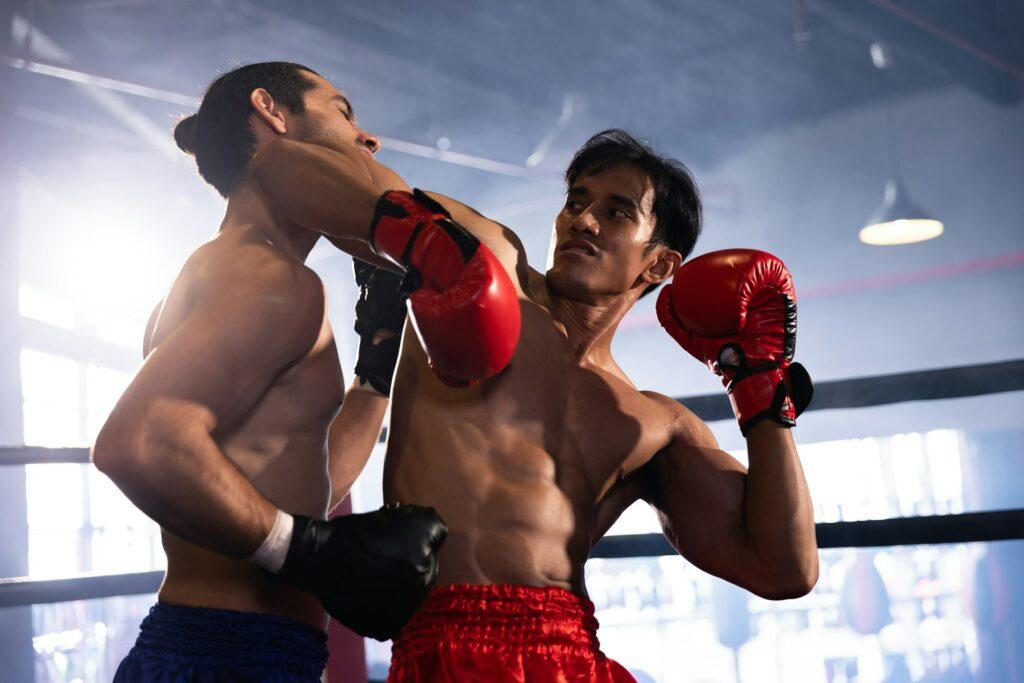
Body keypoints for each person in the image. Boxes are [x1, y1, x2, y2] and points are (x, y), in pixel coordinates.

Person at [255, 88, 819, 680]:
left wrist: (760, 389)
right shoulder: (487, 261)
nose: (584, 219)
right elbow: (286, 169)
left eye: (617, 211)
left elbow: (785, 569)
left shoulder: (654, 424)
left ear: (659, 265)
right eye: (576, 201)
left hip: (569, 656)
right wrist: (421, 243)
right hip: (441, 646)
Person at [91, 62, 446, 682]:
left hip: (232, 646)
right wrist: (305, 550)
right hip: (228, 654)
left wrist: (376, 367)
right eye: (343, 111)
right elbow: (139, 443)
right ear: (272, 111)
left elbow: (298, 480)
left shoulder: (232, 271)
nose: (369, 140)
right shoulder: (271, 280)